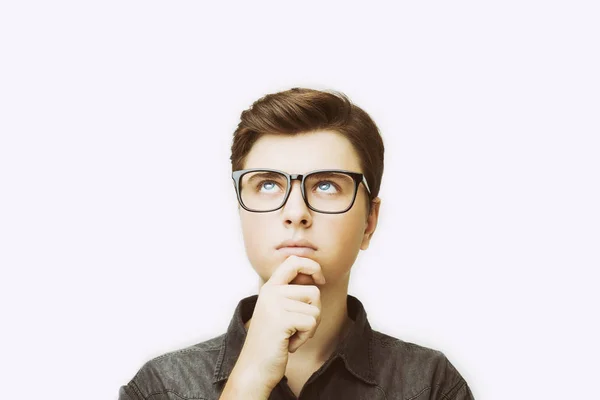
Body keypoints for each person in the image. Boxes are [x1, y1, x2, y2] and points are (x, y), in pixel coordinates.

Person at [118, 87, 475, 399]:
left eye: (326, 185)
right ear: (241, 212)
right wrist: (249, 379)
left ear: (369, 222)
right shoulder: (159, 389)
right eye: (268, 184)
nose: (295, 212)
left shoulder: (430, 385)